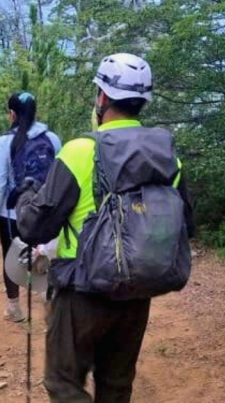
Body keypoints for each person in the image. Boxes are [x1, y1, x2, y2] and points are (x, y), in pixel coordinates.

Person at [16, 54, 196, 403]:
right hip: (138, 293)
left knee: (64, 383)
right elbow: (186, 225)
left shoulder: (82, 150)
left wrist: (25, 195)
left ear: (101, 97)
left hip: (82, 291)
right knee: (116, 385)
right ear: (142, 101)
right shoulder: (167, 157)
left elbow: (34, 226)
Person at [0, 92, 61, 322]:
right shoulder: (53, 139)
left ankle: (14, 307)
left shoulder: (5, 142)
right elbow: (59, 178)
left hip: (12, 214)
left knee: (12, 257)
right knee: (46, 256)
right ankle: (50, 304)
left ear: (12, 114)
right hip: (45, 212)